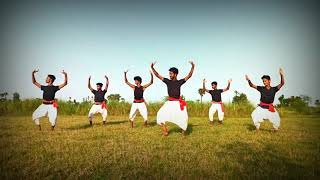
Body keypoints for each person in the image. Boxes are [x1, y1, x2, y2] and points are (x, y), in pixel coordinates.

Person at [151, 61, 195, 136]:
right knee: (160, 114)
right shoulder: (167, 81)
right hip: (169, 103)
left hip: (178, 103)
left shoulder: (180, 82)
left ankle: (183, 133)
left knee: (183, 118)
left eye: (171, 74)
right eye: (169, 73)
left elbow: (189, 75)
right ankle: (165, 132)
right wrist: (152, 67)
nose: (169, 75)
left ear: (175, 74)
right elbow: (157, 75)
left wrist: (193, 66)